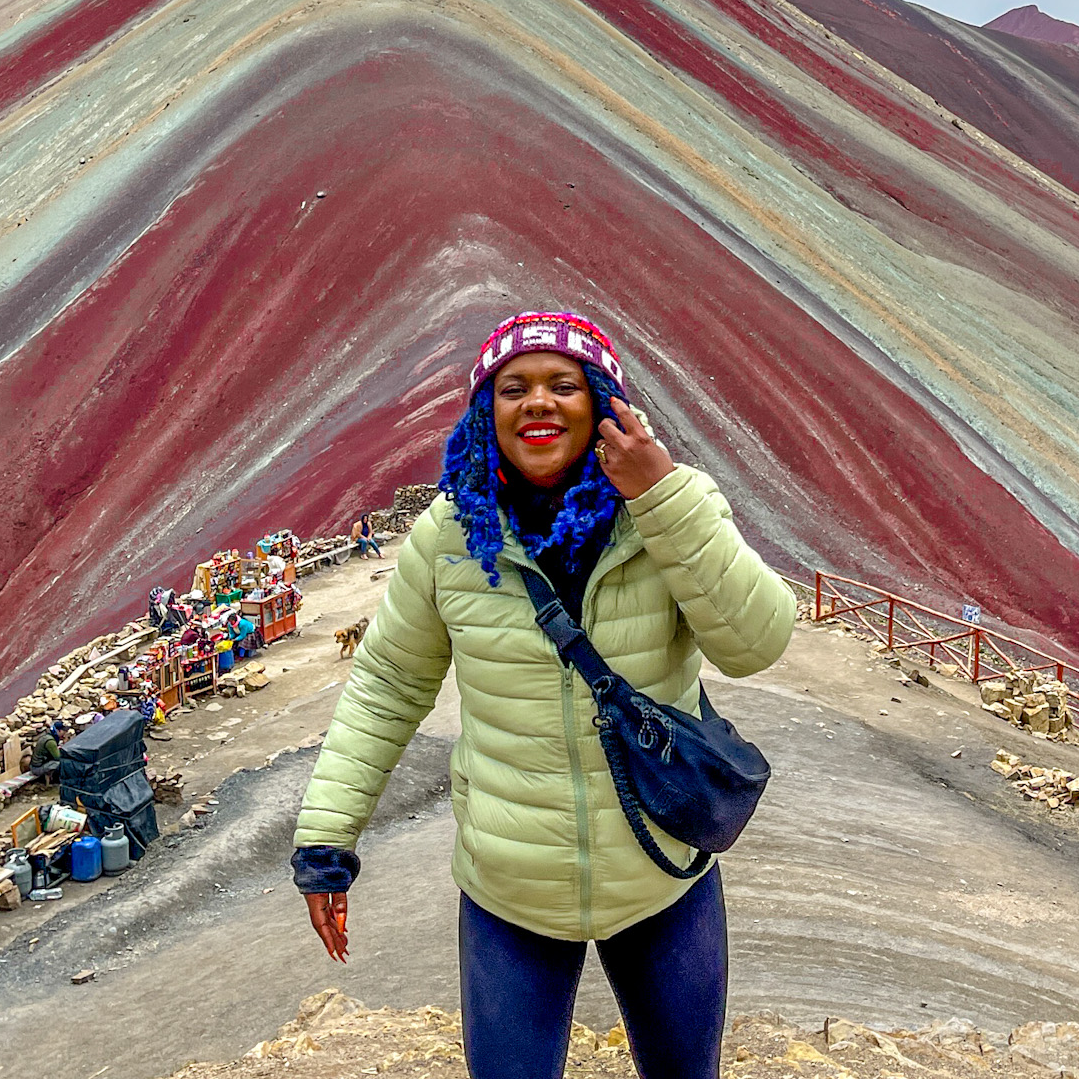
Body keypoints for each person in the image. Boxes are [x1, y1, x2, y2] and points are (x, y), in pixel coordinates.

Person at [293, 311, 794, 1079]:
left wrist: (661, 497)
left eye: (564, 384)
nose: (537, 402)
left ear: (604, 402)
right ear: (485, 412)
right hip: (510, 893)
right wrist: (327, 835)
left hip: (661, 875)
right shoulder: (451, 536)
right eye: (513, 387)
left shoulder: (670, 507)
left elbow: (755, 643)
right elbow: (388, 682)